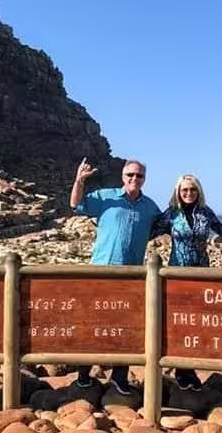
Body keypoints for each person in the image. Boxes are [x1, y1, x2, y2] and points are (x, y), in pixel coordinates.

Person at [70, 157, 161, 395]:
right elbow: (75, 204)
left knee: (127, 328)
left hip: (132, 278)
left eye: (139, 176)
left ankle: (119, 378)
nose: (134, 179)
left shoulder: (150, 207)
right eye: (130, 175)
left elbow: (166, 225)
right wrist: (79, 180)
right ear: (123, 177)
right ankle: (83, 376)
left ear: (144, 179)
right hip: (101, 273)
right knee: (92, 325)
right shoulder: (105, 197)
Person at [152, 174, 222, 390]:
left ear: (198, 191)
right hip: (177, 275)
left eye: (192, 189)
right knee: (178, 323)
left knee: (197, 323)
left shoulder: (205, 212)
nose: (189, 193)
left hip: (201, 273)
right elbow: (148, 232)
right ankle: (184, 371)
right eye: (184, 190)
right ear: (178, 192)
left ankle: (188, 366)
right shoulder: (171, 214)